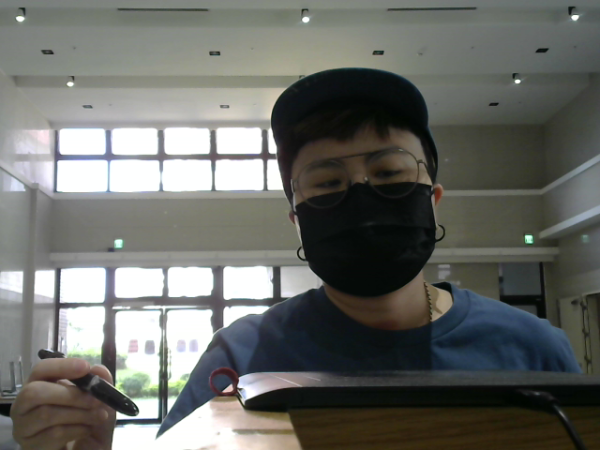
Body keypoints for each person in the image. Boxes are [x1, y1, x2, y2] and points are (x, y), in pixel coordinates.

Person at [10, 68, 581, 449]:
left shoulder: (534, 350)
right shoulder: (242, 355)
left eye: (388, 172)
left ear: (431, 199)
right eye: (327, 183)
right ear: (298, 217)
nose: (360, 195)